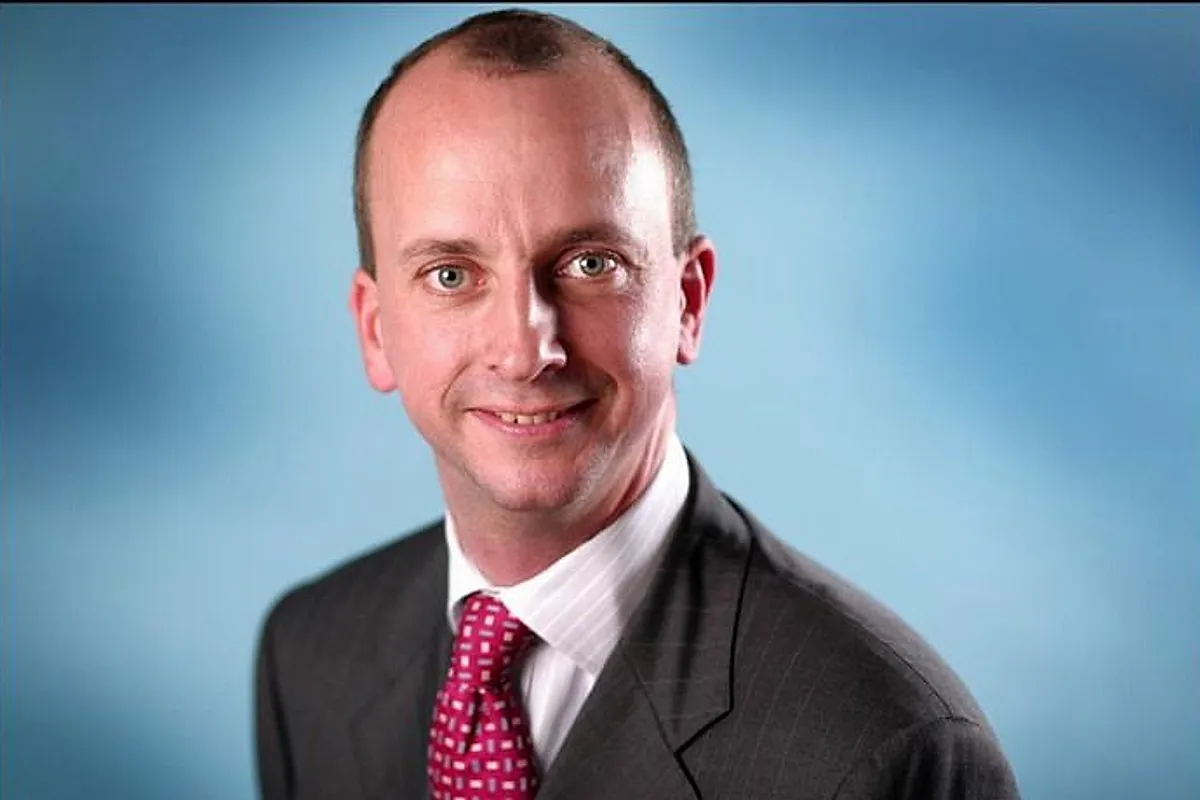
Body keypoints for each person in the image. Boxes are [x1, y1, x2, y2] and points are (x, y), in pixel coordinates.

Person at [254, 8, 1022, 799]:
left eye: (591, 264)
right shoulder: (306, 658)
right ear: (374, 330)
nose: (525, 350)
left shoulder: (887, 747)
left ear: (689, 301)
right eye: (451, 274)